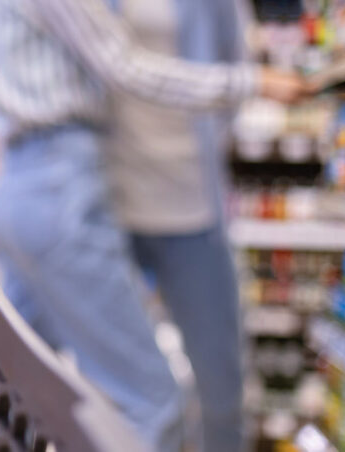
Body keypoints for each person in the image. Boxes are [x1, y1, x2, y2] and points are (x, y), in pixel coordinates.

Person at [0, 0, 308, 450]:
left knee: (12, 386)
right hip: (77, 190)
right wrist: (251, 83)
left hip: (156, 200)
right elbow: (122, 65)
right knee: (147, 403)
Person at [106, 0, 254, 451]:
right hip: (113, 210)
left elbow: (234, 73)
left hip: (191, 208)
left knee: (220, 384)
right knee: (125, 387)